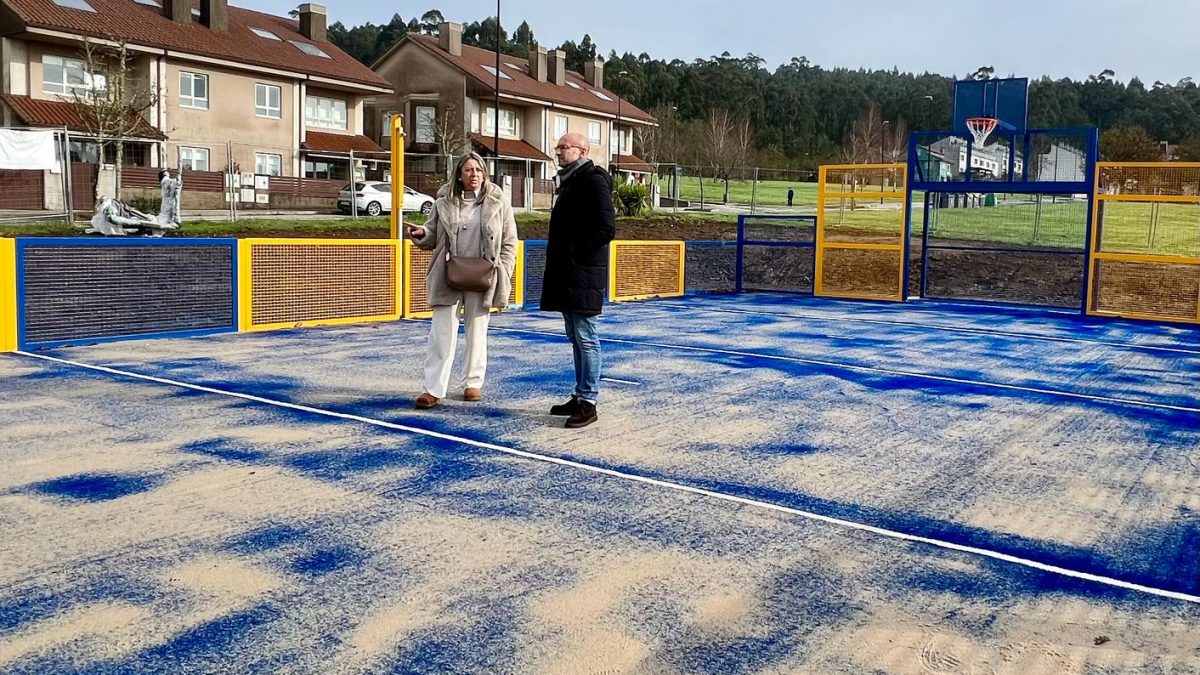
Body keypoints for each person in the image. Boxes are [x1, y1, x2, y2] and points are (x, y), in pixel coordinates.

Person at [406, 152, 518, 409]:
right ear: (459, 174)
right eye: (468, 170)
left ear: (484, 173)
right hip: (449, 273)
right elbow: (432, 233)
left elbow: (510, 241)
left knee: (477, 330)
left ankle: (473, 383)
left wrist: (503, 269)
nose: (474, 174)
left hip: (483, 274)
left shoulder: (498, 201)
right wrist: (422, 233)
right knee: (441, 333)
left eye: (478, 170)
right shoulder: (443, 201)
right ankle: (433, 389)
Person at [541, 132, 616, 429]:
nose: (558, 152)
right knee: (575, 336)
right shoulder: (571, 181)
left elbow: (606, 227)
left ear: (582, 150)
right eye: (557, 147)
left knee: (586, 336)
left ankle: (589, 401)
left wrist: (575, 252)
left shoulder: (593, 180)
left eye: (564, 147)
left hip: (583, 272)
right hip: (570, 273)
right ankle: (580, 393)